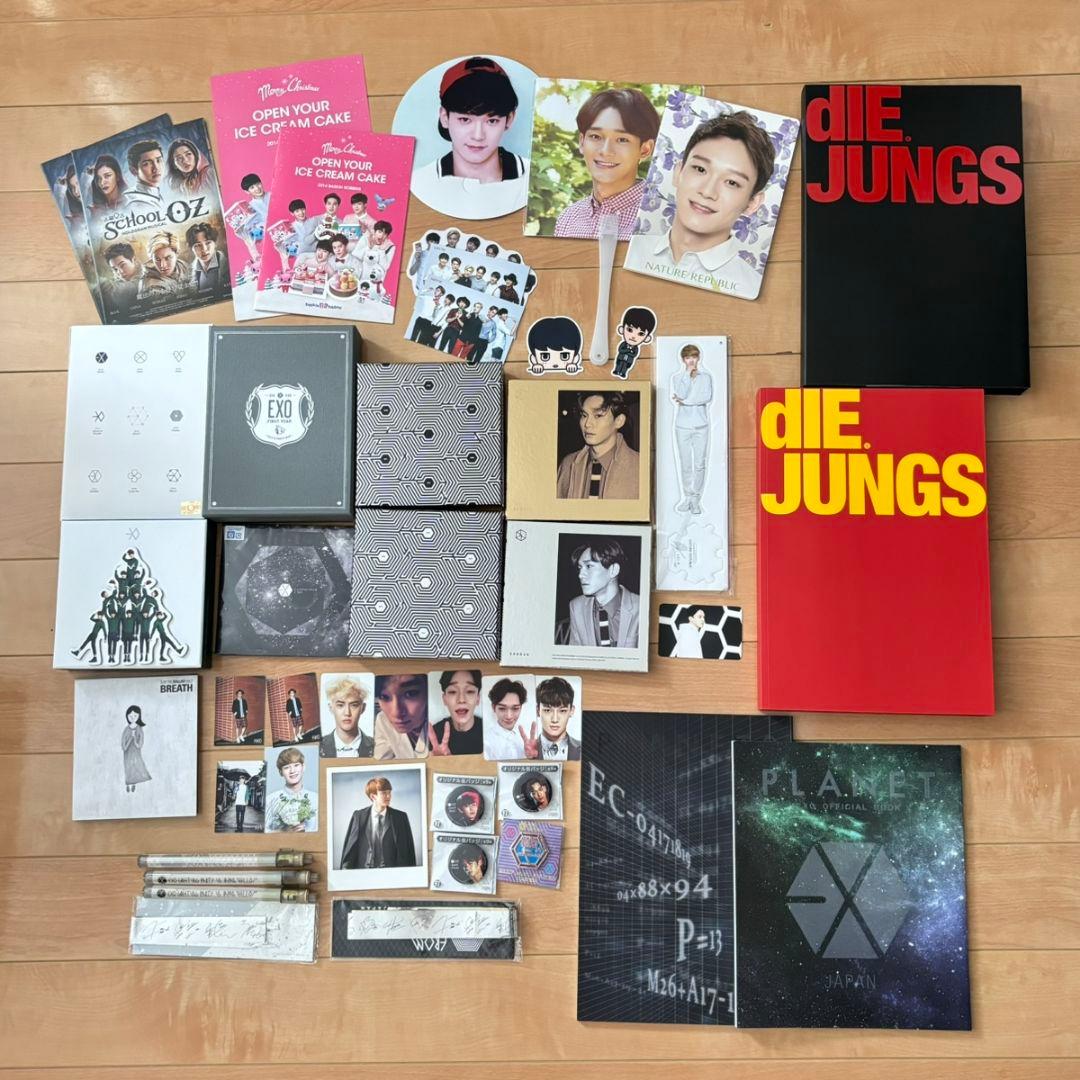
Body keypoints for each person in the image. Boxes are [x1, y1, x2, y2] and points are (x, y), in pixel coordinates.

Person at [637, 111, 776, 296]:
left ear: (752, 203)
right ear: (678, 173)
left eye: (732, 182)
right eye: (700, 169)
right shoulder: (631, 252)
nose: (708, 192)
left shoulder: (750, 287)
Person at [410, 56, 529, 217]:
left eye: (492, 121)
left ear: (509, 119)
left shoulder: (533, 179)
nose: (478, 136)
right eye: (465, 120)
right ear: (445, 117)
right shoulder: (420, 182)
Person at [553, 87, 661, 239]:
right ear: (582, 142)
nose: (605, 151)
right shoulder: (568, 219)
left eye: (622, 139)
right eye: (596, 137)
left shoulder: (661, 220)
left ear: (645, 149)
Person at [557, 392, 640, 500]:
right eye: (584, 415)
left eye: (598, 416)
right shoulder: (567, 464)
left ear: (619, 421)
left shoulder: (639, 467)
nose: (587, 424)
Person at [566, 538, 641, 648]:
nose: (580, 575)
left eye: (589, 566)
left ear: (613, 570)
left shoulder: (641, 608)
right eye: (580, 568)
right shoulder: (577, 607)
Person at [671, 342, 714, 512]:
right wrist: (687, 376)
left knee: (699, 463)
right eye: (688, 357)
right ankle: (688, 497)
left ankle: (696, 499)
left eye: (694, 357)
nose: (691, 360)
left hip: (701, 425)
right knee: (685, 463)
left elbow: (706, 397)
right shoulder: (677, 378)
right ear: (683, 359)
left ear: (698, 358)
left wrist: (685, 402)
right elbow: (681, 393)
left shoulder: (706, 377)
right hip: (682, 425)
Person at [340, 776, 417, 869]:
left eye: (389, 792)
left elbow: (409, 851)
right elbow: (350, 851)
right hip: (364, 873)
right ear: (373, 796)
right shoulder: (359, 816)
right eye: (384, 793)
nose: (388, 796)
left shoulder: (400, 817)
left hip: (393, 874)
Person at [428, 670, 484, 756]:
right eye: (453, 692)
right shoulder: (433, 736)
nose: (461, 699)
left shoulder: (490, 733)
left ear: (478, 698)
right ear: (444, 699)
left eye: (469, 691)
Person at [373, 674, 428, 759]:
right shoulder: (382, 720)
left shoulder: (441, 726)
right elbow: (382, 759)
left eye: (410, 693)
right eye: (384, 697)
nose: (396, 713)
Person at [319, 675, 375, 758]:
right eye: (340, 705)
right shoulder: (318, 747)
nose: (347, 713)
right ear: (331, 708)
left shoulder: (377, 747)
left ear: (363, 708)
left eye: (354, 705)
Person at [265, 748, 318, 832]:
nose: (292, 771)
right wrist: (282, 831)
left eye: (296, 765)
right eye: (286, 767)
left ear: (303, 767)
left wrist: (306, 830)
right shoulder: (270, 800)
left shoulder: (316, 798)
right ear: (280, 772)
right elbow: (265, 831)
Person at [529, 676, 580, 760]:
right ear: (538, 710)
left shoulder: (584, 749)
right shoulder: (526, 751)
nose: (555, 719)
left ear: (571, 711)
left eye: (562, 711)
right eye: (547, 710)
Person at [483, 677, 529, 760]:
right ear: (494, 708)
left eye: (515, 708)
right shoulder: (485, 742)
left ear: (521, 708)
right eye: (502, 708)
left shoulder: (528, 737)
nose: (509, 716)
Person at [139, 232, 191, 297]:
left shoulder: (183, 266)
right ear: (152, 259)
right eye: (157, 259)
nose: (163, 265)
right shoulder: (152, 285)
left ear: (177, 254)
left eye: (168, 258)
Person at [612, 306, 657, 379]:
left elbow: (634, 354)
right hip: (621, 358)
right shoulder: (623, 344)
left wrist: (629, 352)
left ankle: (623, 373)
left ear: (647, 338)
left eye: (641, 334)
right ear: (621, 330)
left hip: (628, 361)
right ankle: (617, 371)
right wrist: (628, 350)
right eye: (630, 330)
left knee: (625, 367)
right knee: (619, 365)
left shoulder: (636, 348)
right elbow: (620, 350)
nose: (633, 336)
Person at [187, 223, 229, 299]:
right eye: (198, 245)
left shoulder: (228, 265)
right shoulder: (189, 272)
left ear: (215, 243)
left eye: (208, 243)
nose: (204, 249)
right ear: (191, 248)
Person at [103, 242, 145, 316]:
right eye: (115, 269)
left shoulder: (149, 276)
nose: (120, 272)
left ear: (133, 260)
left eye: (122, 265)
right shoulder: (112, 287)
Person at [125, 139, 165, 206]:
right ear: (133, 171)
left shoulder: (157, 193)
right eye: (146, 164)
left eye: (158, 160)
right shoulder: (133, 201)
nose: (156, 168)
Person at [122, 705, 151, 793]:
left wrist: (134, 740)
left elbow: (140, 745)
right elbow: (124, 746)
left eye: (135, 716)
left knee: (136, 767)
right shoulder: (126, 729)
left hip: (136, 753)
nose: (132, 718)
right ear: (127, 716)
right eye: (130, 716)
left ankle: (133, 784)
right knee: (128, 768)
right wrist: (130, 739)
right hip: (127, 754)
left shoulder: (139, 729)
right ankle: (128, 784)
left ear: (139, 716)